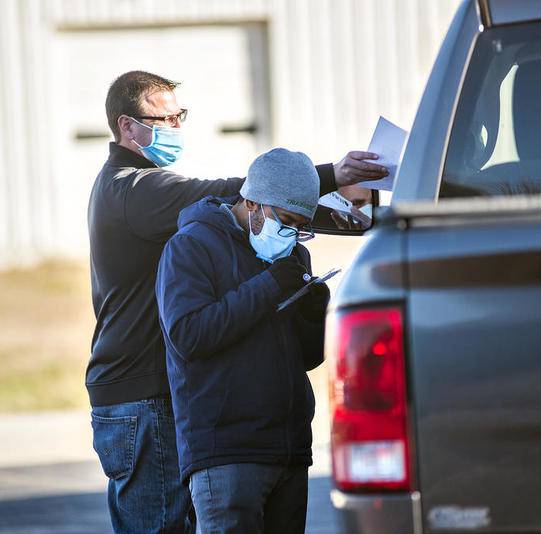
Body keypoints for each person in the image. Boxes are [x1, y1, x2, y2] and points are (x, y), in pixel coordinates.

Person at [86, 70, 387, 533]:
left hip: (151, 389)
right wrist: (328, 175)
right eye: (163, 119)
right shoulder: (132, 188)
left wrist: (352, 215)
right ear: (127, 127)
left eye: (179, 116)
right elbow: (225, 193)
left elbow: (260, 209)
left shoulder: (141, 191)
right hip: (140, 393)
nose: (175, 127)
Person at [156, 148, 329, 534]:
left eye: (301, 226)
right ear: (251, 203)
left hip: (288, 450)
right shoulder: (191, 247)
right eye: (285, 221)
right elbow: (189, 335)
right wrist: (268, 286)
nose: (290, 235)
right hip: (226, 453)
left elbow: (305, 357)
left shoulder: (293, 255)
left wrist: (314, 311)